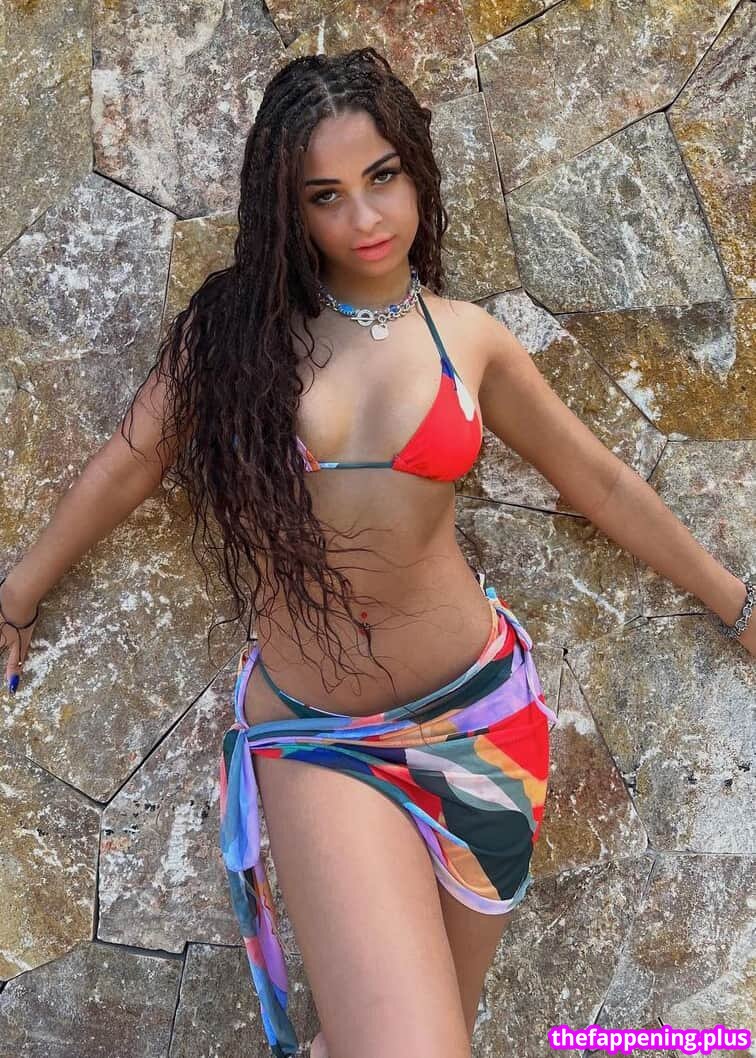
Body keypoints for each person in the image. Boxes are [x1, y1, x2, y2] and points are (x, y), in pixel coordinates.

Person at [1, 46, 753, 1058]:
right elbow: (127, 465)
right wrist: (17, 595)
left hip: (484, 723)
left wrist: (738, 605)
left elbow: (602, 482)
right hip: (320, 738)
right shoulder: (236, 336)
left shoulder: (469, 339)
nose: (364, 217)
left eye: (383, 176)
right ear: (289, 209)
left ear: (416, 171)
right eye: (327, 195)